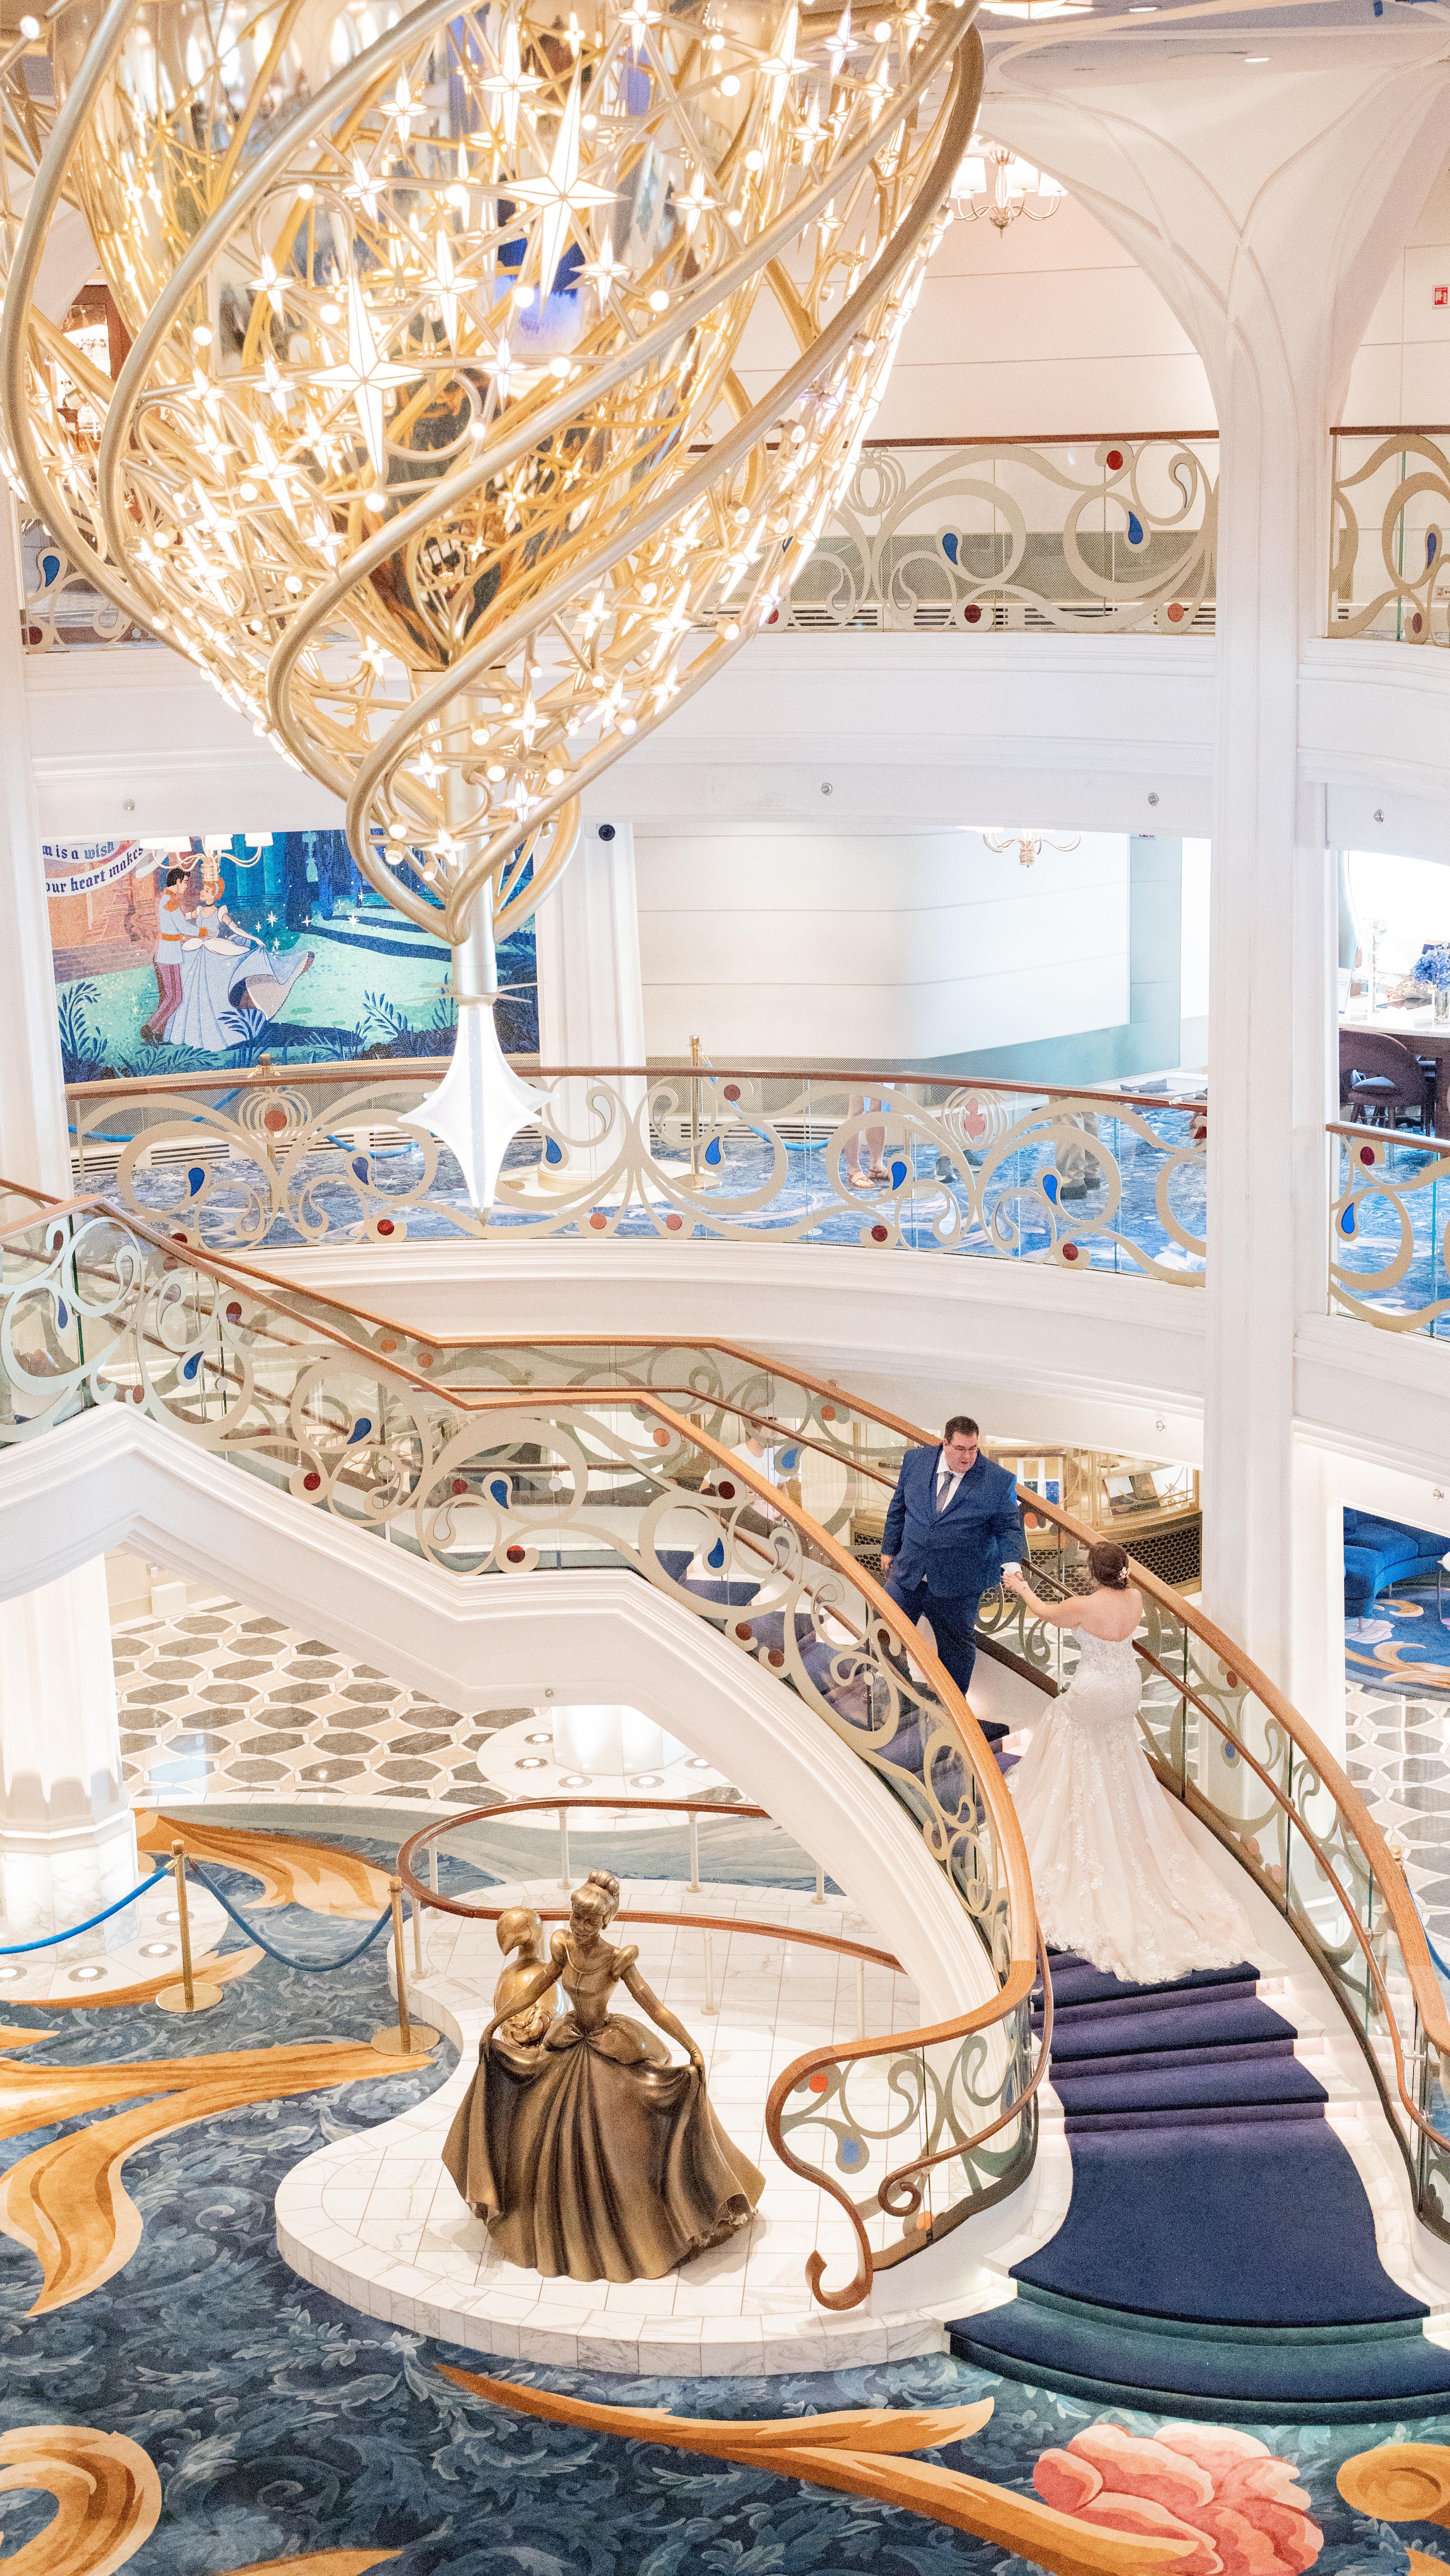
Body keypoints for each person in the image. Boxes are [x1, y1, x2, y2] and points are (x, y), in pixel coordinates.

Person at [441, 1867, 764, 2282]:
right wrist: (495, 2023)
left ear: (607, 1921)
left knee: (629, 2137)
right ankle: (554, 2233)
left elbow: (653, 2006)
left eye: (590, 1921)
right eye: (576, 1918)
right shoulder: (562, 1947)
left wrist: (692, 2047)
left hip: (609, 2045)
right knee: (542, 2128)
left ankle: (645, 2233)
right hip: (570, 2039)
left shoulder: (616, 1959)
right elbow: (535, 1987)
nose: (581, 1926)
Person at [1003, 1540, 1252, 1985]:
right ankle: (1117, 1819)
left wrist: (1019, 1586)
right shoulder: (1135, 1598)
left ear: (1093, 1573)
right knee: (1113, 1750)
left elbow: (1043, 1612)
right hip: (1126, 1690)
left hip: (1095, 1689)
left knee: (1065, 1725)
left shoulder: (1082, 1605)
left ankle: (1077, 1815)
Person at [880, 1415, 1024, 1739]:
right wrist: (889, 1547)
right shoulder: (916, 1461)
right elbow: (899, 1506)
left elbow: (1009, 1528)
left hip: (958, 1585)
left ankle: (950, 1719)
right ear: (944, 1442)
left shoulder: (998, 1481)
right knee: (885, 1632)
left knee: (956, 1653)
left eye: (974, 1449)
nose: (967, 1457)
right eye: (960, 1449)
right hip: (909, 1571)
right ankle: (895, 1695)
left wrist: (1012, 1564)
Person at [142, 866, 191, 1041]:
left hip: (167, 952)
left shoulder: (166, 899)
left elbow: (175, 925)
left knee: (170, 996)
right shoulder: (171, 901)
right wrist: (203, 932)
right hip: (167, 955)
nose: (186, 887)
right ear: (177, 882)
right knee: (175, 997)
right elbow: (183, 926)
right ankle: (150, 1028)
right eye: (185, 883)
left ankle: (159, 1032)